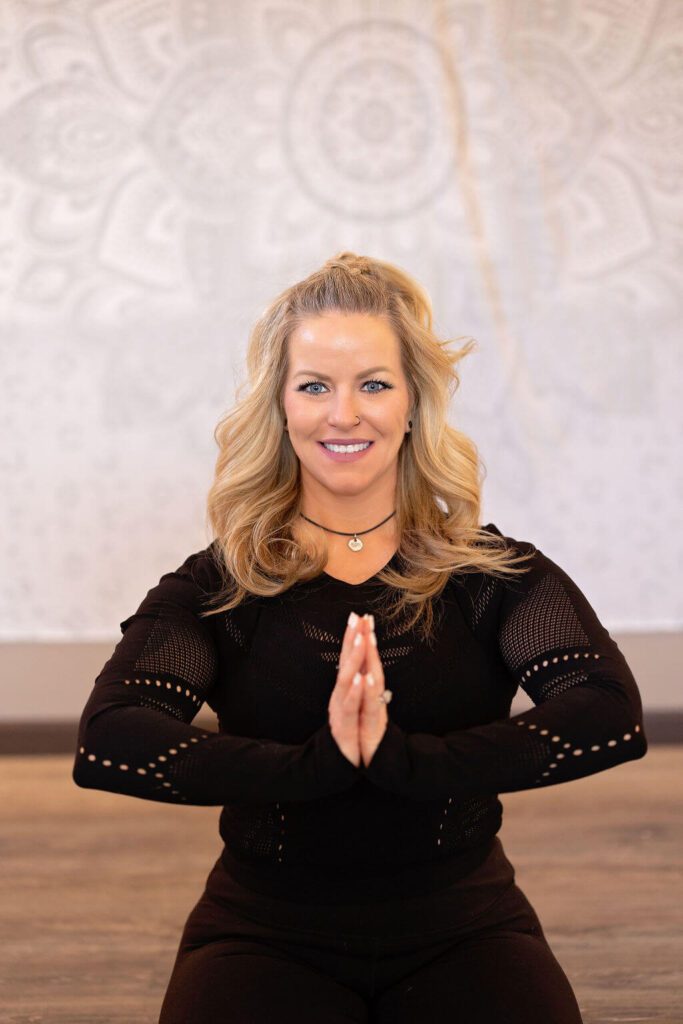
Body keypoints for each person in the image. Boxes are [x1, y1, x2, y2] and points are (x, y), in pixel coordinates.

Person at [73, 252, 648, 1023]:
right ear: (281, 407)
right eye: (315, 385)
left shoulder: (494, 577)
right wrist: (319, 766)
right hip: (264, 929)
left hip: (463, 923)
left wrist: (404, 761)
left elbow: (609, 713)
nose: (343, 414)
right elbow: (111, 738)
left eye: (373, 384)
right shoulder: (220, 585)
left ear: (413, 404)